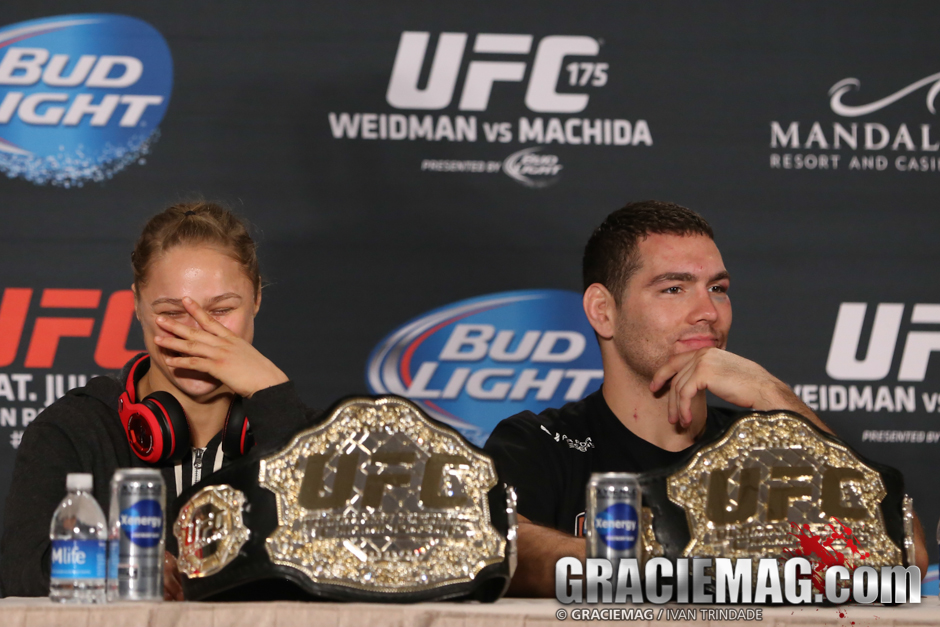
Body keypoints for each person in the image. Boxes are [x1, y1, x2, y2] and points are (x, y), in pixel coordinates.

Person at [483, 200, 928, 596]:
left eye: (718, 289)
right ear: (603, 311)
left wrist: (775, 398)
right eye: (673, 289)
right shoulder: (541, 443)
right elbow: (498, 546)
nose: (709, 313)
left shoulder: (768, 449)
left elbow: (906, 555)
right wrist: (675, 564)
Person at [0, 202, 318, 599]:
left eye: (221, 310)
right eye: (171, 313)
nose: (197, 334)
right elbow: (18, 576)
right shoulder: (73, 429)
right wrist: (121, 565)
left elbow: (346, 567)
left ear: (255, 298)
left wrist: (272, 395)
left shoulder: (301, 430)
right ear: (137, 305)